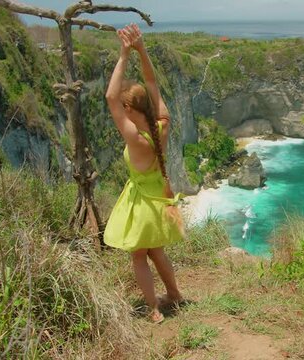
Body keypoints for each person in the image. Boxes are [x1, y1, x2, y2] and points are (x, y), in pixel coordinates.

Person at [104, 24, 184, 323]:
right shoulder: (161, 127)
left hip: (142, 206)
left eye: (124, 109)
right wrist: (142, 50)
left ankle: (153, 309)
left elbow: (111, 97)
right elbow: (151, 82)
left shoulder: (135, 141)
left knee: (139, 256)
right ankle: (174, 294)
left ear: (129, 109)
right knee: (157, 251)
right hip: (159, 202)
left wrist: (125, 53)